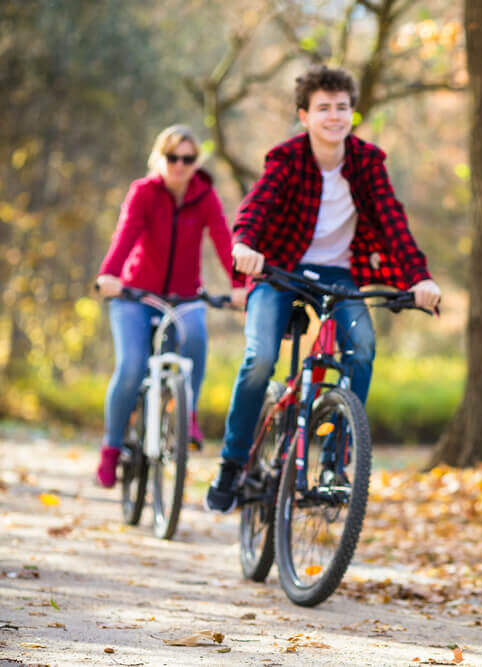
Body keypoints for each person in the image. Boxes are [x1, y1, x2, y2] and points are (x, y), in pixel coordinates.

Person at [205, 65, 442, 513]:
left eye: (342, 107)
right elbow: (255, 209)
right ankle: (232, 464)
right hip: (280, 269)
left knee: (364, 347)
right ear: (304, 115)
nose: (334, 116)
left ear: (352, 113)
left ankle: (336, 462)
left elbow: (393, 224)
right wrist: (244, 246)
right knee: (259, 360)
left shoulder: (367, 162)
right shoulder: (287, 158)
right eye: (323, 108)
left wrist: (419, 278)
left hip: (339, 276)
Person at [95, 125, 242, 488]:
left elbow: (224, 241)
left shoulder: (204, 196)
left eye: (187, 158)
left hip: (185, 296)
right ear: (159, 158)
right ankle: (112, 447)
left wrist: (240, 287)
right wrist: (109, 276)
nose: (179, 165)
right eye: (172, 157)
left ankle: (186, 413)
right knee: (131, 367)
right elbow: (126, 234)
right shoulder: (144, 192)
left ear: (196, 162)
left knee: (196, 335)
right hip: (136, 296)